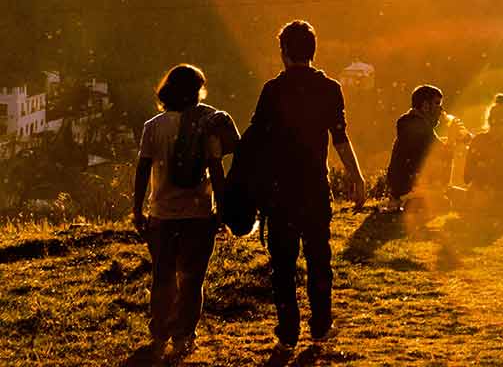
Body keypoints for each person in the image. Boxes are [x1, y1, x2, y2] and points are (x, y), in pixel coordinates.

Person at [249, 20, 366, 354]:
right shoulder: (329, 88)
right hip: (315, 187)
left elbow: (256, 140)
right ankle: (321, 324)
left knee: (283, 263)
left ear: (283, 52)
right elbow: (340, 139)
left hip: (280, 190)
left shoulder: (273, 90)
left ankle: (288, 331)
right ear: (313, 51)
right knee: (319, 257)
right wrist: (356, 178)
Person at [132, 64, 238, 362]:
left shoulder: (153, 126)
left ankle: (159, 333)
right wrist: (222, 209)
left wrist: (137, 208)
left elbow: (142, 170)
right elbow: (216, 169)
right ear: (197, 92)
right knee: (192, 280)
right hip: (198, 215)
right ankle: (184, 337)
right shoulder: (205, 125)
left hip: (162, 214)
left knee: (162, 276)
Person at [386, 84, 470, 218]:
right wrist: (453, 137)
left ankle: (412, 202)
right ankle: (413, 203)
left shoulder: (414, 123)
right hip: (412, 188)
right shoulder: (414, 124)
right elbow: (441, 155)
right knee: (465, 200)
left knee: (466, 197)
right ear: (425, 106)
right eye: (437, 104)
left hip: (414, 186)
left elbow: (433, 146)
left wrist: (454, 138)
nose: (441, 109)